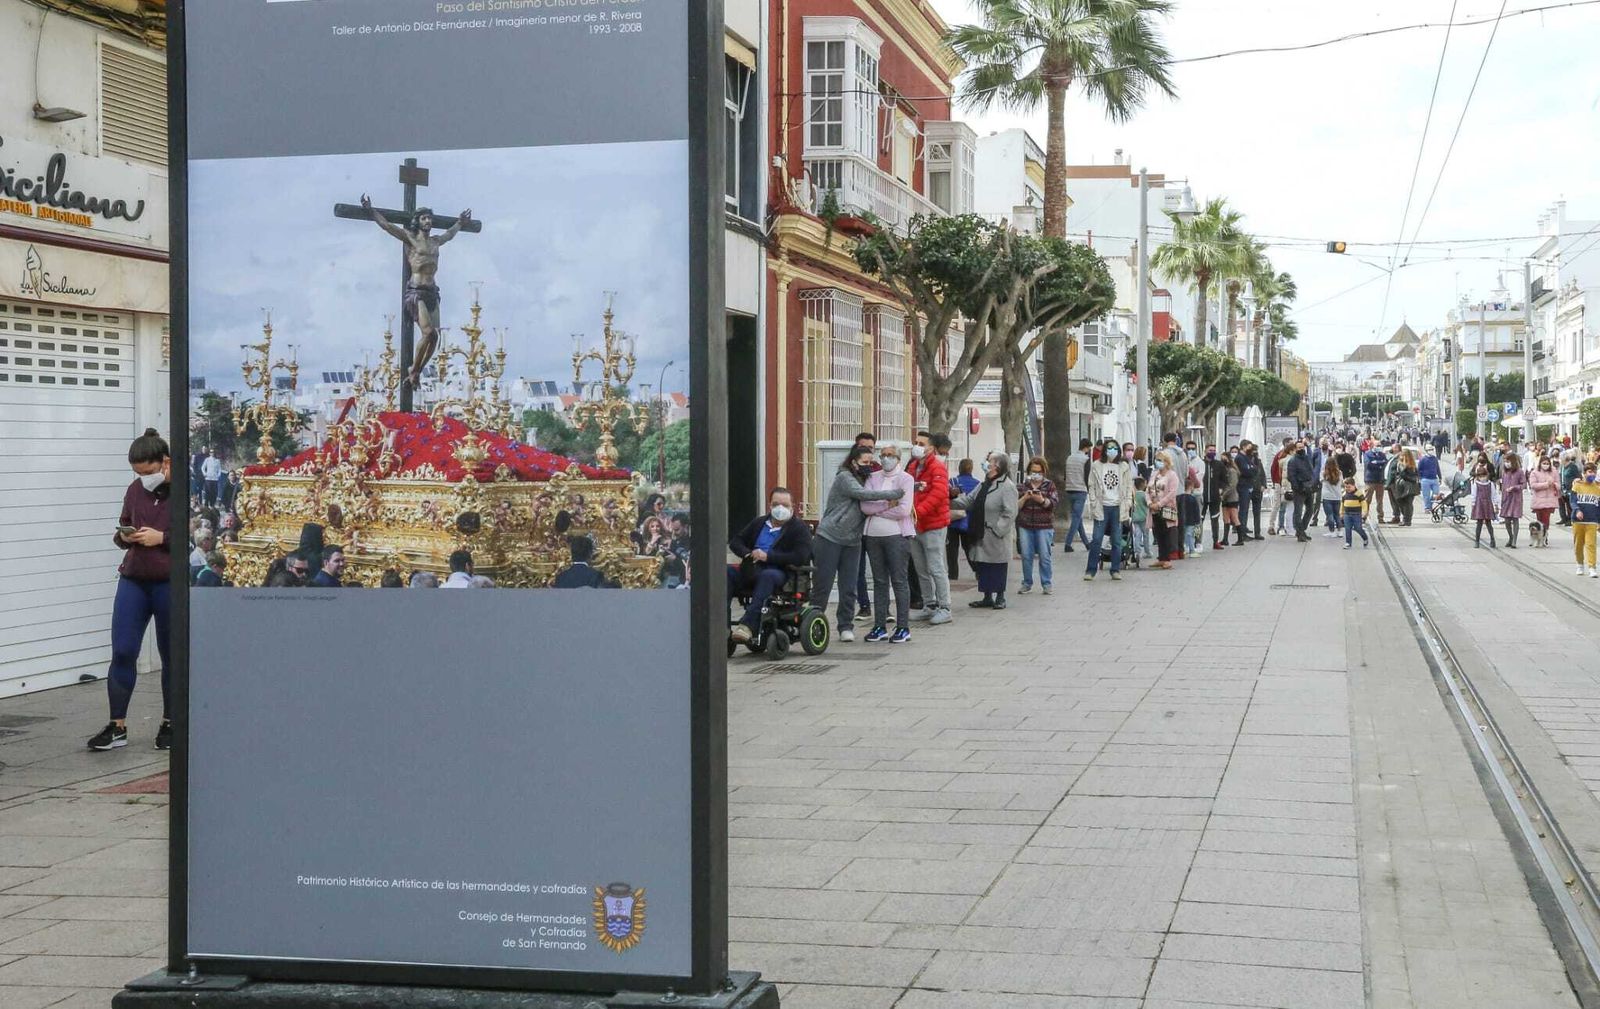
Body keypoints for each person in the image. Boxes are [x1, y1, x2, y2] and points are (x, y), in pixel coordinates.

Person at [90, 429, 173, 753]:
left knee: (172, 654)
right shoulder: (135, 490)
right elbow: (124, 523)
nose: (144, 479)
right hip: (135, 578)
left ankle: (171, 722)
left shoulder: (186, 490)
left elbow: (200, 534)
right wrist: (124, 536)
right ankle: (117, 725)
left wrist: (162, 538)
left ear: (166, 462)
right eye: (138, 473)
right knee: (123, 650)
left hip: (169, 582)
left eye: (149, 472)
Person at [811, 445, 905, 643]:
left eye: (871, 462)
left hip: (853, 540)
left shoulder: (868, 479)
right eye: (864, 462)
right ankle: (813, 623)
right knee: (823, 585)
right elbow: (863, 495)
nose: (868, 465)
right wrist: (894, 494)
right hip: (830, 537)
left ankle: (845, 626)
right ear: (853, 462)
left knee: (849, 586)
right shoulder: (844, 477)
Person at [727, 488, 812, 642]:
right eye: (776, 504)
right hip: (752, 568)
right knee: (726, 572)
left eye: (785, 505)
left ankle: (747, 625)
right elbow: (736, 542)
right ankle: (720, 624)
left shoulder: (799, 529)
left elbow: (800, 557)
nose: (780, 508)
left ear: (792, 507)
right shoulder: (759, 523)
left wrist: (768, 557)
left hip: (779, 572)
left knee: (768, 576)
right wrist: (748, 553)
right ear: (770, 505)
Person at [860, 445, 917, 643]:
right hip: (873, 536)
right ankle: (879, 625)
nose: (885, 458)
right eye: (883, 455)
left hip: (897, 536)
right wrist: (886, 504)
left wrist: (877, 510)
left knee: (899, 581)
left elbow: (903, 510)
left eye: (890, 455)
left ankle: (903, 627)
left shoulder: (906, 479)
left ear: (898, 458)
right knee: (879, 581)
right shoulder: (872, 477)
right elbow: (865, 505)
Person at [950, 453, 1018, 608]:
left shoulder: (1007, 486)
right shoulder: (984, 484)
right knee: (984, 565)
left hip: (996, 534)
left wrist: (998, 529)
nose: (986, 464)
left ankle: (1000, 597)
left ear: (998, 466)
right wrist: (948, 500)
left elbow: (1010, 512)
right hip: (981, 531)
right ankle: (987, 596)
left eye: (989, 461)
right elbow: (968, 500)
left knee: (997, 566)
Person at [907, 431, 953, 625]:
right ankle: (929, 605)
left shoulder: (937, 467)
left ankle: (945, 607)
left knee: (936, 567)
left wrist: (918, 511)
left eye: (922, 443)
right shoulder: (913, 467)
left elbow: (939, 493)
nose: (917, 446)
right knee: (921, 568)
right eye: (916, 442)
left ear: (931, 448)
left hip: (933, 525)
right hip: (915, 525)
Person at [1084, 439, 1133, 581]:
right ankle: (1090, 570)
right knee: (1097, 539)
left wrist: (1128, 502)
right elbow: (1091, 485)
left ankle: (1115, 570)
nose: (1112, 450)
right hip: (1102, 506)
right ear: (1105, 450)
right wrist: (1093, 501)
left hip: (1118, 507)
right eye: (1109, 448)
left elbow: (1128, 486)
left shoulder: (1123, 466)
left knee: (1116, 541)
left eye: (1115, 448)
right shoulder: (1096, 465)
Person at [1016, 457, 1059, 594]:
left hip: (1044, 526)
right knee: (1026, 556)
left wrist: (1041, 500)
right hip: (1025, 525)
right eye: (1033, 471)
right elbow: (1015, 506)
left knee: (1045, 555)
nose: (1036, 474)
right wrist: (1025, 497)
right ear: (1029, 471)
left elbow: (1054, 504)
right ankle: (1027, 582)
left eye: (1039, 472)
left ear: (1043, 472)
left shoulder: (1049, 485)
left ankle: (1046, 583)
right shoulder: (1023, 486)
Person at [1149, 450, 1182, 570]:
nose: (1157, 462)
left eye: (1160, 460)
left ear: (1166, 462)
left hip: (1167, 508)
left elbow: (1172, 493)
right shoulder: (1154, 474)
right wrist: (1149, 502)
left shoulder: (1172, 475)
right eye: (1156, 460)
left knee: (1167, 532)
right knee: (1158, 533)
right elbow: (1148, 488)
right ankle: (1161, 558)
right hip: (1154, 509)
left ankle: (1167, 559)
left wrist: (1160, 504)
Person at [947, 455, 979, 579]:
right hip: (968, 522)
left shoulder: (952, 482)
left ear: (959, 468)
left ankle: (953, 575)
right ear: (971, 469)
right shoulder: (977, 484)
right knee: (969, 548)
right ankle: (977, 570)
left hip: (952, 521)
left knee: (952, 550)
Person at [1060, 439, 1091, 553]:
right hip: (1080, 490)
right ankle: (1068, 543)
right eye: (1089, 448)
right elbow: (1087, 477)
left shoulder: (1069, 458)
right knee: (1076, 518)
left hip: (1069, 490)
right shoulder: (1086, 459)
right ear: (1086, 447)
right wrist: (1089, 490)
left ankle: (1087, 544)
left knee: (1078, 518)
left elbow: (1065, 474)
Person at [1571, 461, 1600, 577]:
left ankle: (1592, 567)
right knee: (1578, 544)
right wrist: (1577, 510)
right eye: (1589, 472)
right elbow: (1573, 501)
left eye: (1594, 472)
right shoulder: (1577, 485)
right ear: (1584, 473)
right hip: (1578, 521)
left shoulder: (1597, 488)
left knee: (1591, 544)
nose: (1592, 474)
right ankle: (1580, 564)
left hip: (1592, 520)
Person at [1287, 441, 1318, 541]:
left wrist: (1312, 483)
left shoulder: (1307, 458)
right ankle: (1300, 533)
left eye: (1302, 447)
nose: (1301, 449)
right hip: (1299, 490)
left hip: (1309, 488)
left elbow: (1311, 471)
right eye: (1299, 447)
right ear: (1295, 449)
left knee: (1310, 510)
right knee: (1298, 512)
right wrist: (1297, 487)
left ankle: (1301, 530)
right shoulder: (1292, 461)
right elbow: (1291, 476)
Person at [1530, 456, 1561, 544]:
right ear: (1540, 463)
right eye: (1544, 463)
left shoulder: (1554, 472)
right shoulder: (1535, 472)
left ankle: (1544, 536)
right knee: (1539, 520)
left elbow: (1559, 485)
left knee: (1546, 520)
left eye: (1547, 463)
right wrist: (1546, 484)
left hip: (1549, 501)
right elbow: (1533, 485)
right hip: (1538, 500)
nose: (1546, 465)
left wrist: (1553, 484)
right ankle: (1538, 536)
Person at [1202, 446, 1228, 551]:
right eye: (1210, 450)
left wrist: (1221, 488)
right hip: (1202, 497)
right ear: (1205, 451)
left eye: (1213, 451)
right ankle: (1196, 542)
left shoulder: (1219, 464)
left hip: (1215, 497)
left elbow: (1224, 479)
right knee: (1199, 520)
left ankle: (1215, 541)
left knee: (1215, 520)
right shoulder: (1201, 464)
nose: (1212, 452)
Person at [1499, 452, 1527, 548]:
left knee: (1515, 519)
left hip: (1516, 498)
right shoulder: (1504, 472)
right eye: (1505, 461)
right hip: (1506, 498)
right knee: (1507, 520)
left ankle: (1514, 540)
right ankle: (1510, 537)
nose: (1506, 463)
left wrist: (1515, 487)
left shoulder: (1519, 472)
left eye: (1508, 461)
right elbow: (1502, 485)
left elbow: (1524, 484)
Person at [1470, 461, 1497, 548]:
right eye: (1480, 476)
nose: (1482, 478)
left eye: (1484, 476)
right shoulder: (1476, 484)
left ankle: (1492, 539)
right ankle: (1477, 541)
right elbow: (1473, 495)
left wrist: (1495, 504)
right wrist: (1473, 504)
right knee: (1479, 523)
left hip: (1488, 504)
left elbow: (1494, 495)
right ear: (1478, 476)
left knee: (1489, 523)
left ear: (1487, 475)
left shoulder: (1490, 484)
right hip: (1479, 504)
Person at [1391, 450, 1421, 528]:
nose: (1401, 457)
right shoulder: (1406, 464)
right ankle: (1407, 519)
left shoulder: (1406, 464)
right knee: (1404, 503)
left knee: (1406, 503)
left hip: (1406, 486)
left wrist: (1411, 479)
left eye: (1402, 455)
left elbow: (1403, 474)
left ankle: (1406, 520)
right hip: (1406, 486)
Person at [1219, 451, 1242, 546]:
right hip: (1225, 497)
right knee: (1226, 518)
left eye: (1224, 458)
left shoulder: (1232, 471)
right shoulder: (1225, 470)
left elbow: (1232, 485)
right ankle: (1225, 539)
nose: (1222, 460)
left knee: (1234, 517)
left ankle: (1240, 539)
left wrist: (1223, 494)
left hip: (1232, 497)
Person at [1363, 443, 1389, 524]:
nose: (1378, 447)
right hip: (1370, 480)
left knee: (1380, 500)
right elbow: (1369, 465)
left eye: (1379, 445)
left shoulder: (1382, 454)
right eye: (1377, 445)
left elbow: (1385, 463)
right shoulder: (1367, 454)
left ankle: (1380, 517)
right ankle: (1364, 516)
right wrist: (1380, 464)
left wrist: (1376, 462)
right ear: (1372, 446)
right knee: (1367, 499)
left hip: (1380, 480)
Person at [1341, 479, 1370, 549]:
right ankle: (1348, 543)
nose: (1347, 488)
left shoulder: (1359, 494)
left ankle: (1365, 538)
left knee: (1358, 528)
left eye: (1349, 487)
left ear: (1354, 486)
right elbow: (1342, 504)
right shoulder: (1344, 494)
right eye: (1346, 487)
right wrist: (1341, 512)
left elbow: (1364, 503)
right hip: (1347, 514)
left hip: (1356, 514)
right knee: (1347, 528)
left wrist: (1364, 512)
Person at [1320, 457, 1344, 537]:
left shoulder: (1324, 473)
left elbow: (1321, 481)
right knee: (1337, 514)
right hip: (1337, 496)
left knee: (1329, 515)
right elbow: (1342, 483)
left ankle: (1332, 531)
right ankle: (1340, 531)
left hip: (1327, 497)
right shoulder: (1339, 473)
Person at [1131, 476, 1152, 559]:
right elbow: (1148, 504)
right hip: (1144, 518)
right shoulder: (1144, 495)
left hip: (1135, 518)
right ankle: (1147, 552)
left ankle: (1137, 551)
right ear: (1143, 485)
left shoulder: (1134, 495)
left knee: (1137, 534)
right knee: (1146, 535)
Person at [1418, 445, 1442, 512]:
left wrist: (1440, 477)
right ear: (1426, 451)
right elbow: (1419, 469)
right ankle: (1427, 508)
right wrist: (1420, 478)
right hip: (1425, 479)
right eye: (1429, 450)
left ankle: (1430, 505)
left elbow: (1437, 468)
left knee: (1436, 494)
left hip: (1434, 479)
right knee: (1426, 495)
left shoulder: (1434, 459)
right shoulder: (1423, 459)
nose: (1431, 451)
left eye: (1431, 449)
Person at [1561, 452, 1582, 526]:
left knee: (1571, 504)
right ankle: (1567, 518)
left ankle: (1571, 519)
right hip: (1565, 488)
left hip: (1571, 488)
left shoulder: (1573, 466)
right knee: (1567, 504)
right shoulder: (1563, 467)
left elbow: (1578, 477)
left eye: (1561, 458)